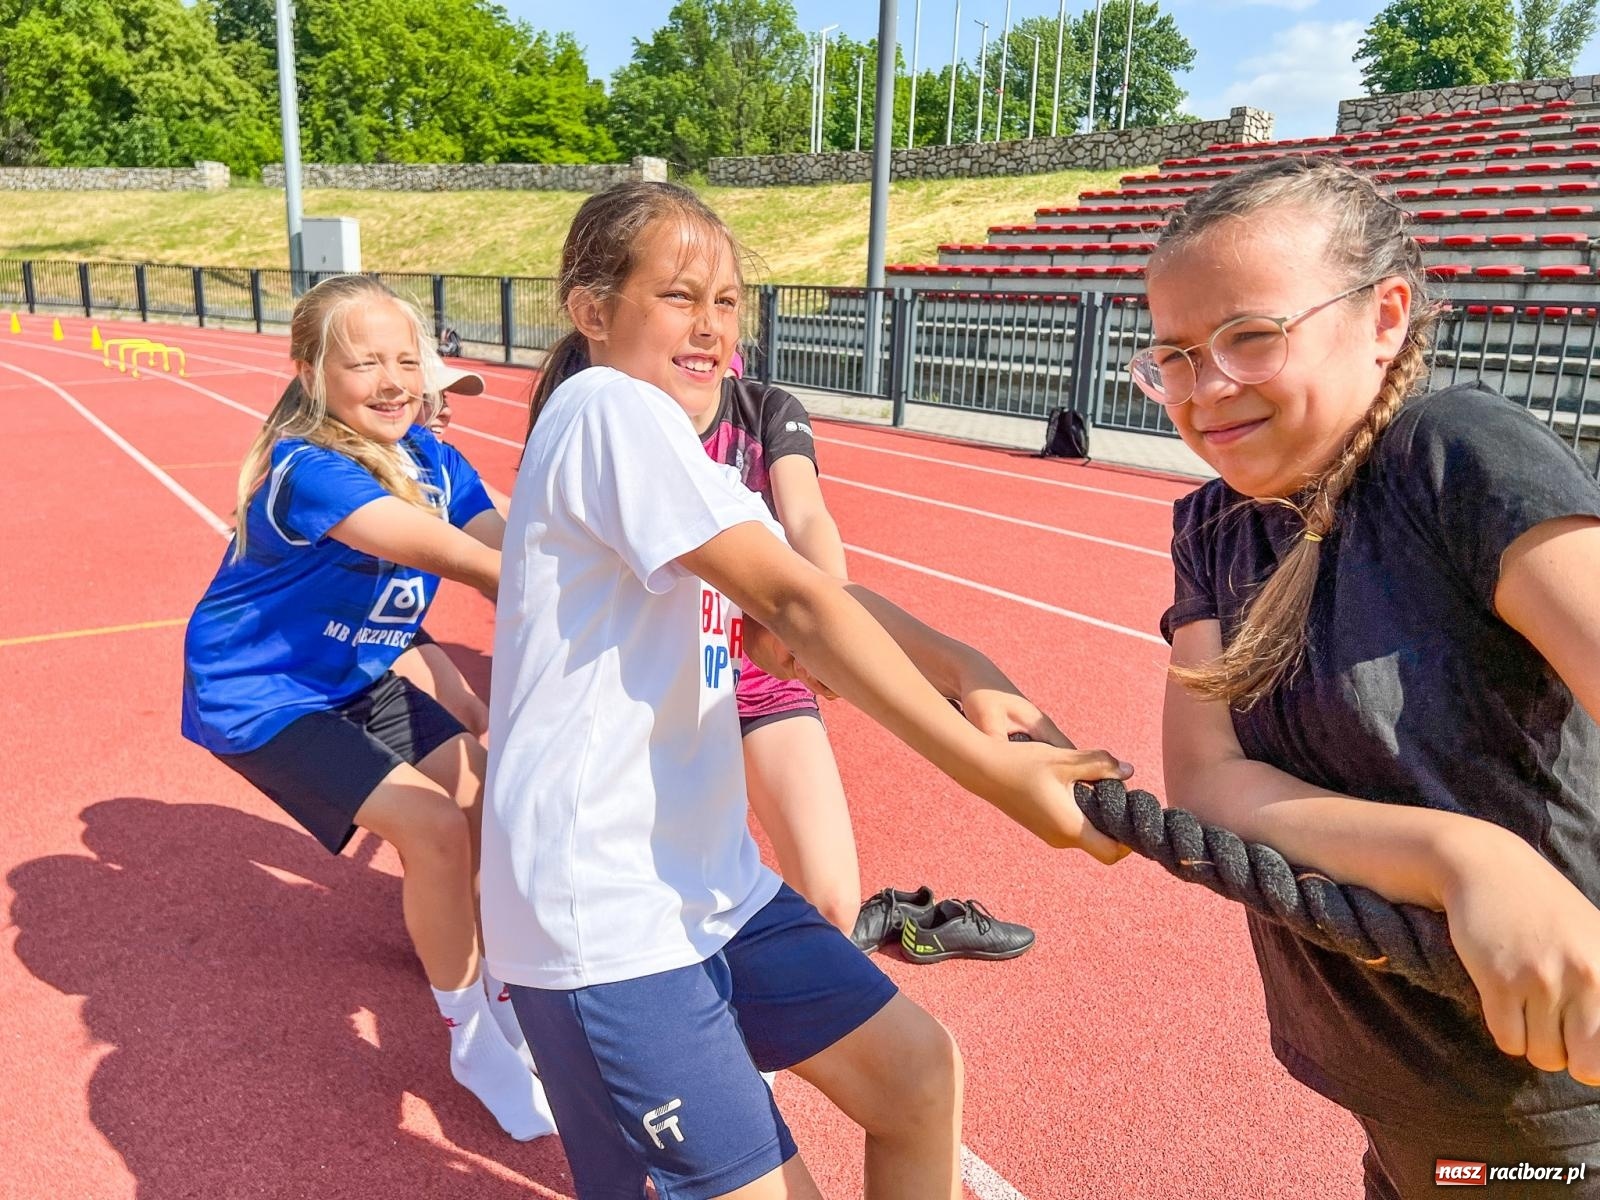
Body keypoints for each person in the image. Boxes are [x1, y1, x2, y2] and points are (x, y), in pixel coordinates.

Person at [480, 180, 1132, 1199]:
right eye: (679, 297)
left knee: (918, 1075)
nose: (710, 327)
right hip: (602, 913)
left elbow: (813, 595)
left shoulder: (677, 455)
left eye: (729, 301)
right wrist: (992, 776)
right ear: (593, 311)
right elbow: (796, 600)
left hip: (708, 889)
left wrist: (966, 673)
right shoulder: (608, 408)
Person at [1134, 155, 1600, 1197]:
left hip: (1554, 1109)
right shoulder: (1211, 526)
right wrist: (1462, 858)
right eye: (1171, 356)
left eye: (1248, 337)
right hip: (1400, 1083)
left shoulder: (1458, 459)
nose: (1204, 390)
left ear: (1383, 316)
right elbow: (1207, 785)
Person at [180, 274, 555, 1143]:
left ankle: (496, 983)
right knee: (431, 827)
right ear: (311, 373)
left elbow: (502, 536)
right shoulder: (307, 467)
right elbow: (462, 558)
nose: (392, 380)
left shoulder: (432, 452)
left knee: (485, 794)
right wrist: (579, 591)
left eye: (405, 360)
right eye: (364, 363)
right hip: (261, 695)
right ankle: (472, 1038)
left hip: (349, 677)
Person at [390, 357, 505, 739]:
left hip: (383, 626)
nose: (447, 410)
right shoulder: (340, 473)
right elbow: (471, 559)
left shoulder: (441, 463)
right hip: (308, 652)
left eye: (447, 397)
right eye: (430, 397)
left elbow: (505, 527)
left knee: (473, 719)